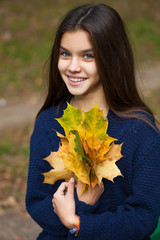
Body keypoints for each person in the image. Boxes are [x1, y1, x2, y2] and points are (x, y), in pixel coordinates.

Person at [25, 4, 160, 240]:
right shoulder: (48, 122)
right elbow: (37, 202)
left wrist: (77, 222)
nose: (73, 66)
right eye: (65, 53)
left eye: (88, 55)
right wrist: (81, 206)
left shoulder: (140, 130)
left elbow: (143, 218)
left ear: (112, 59)